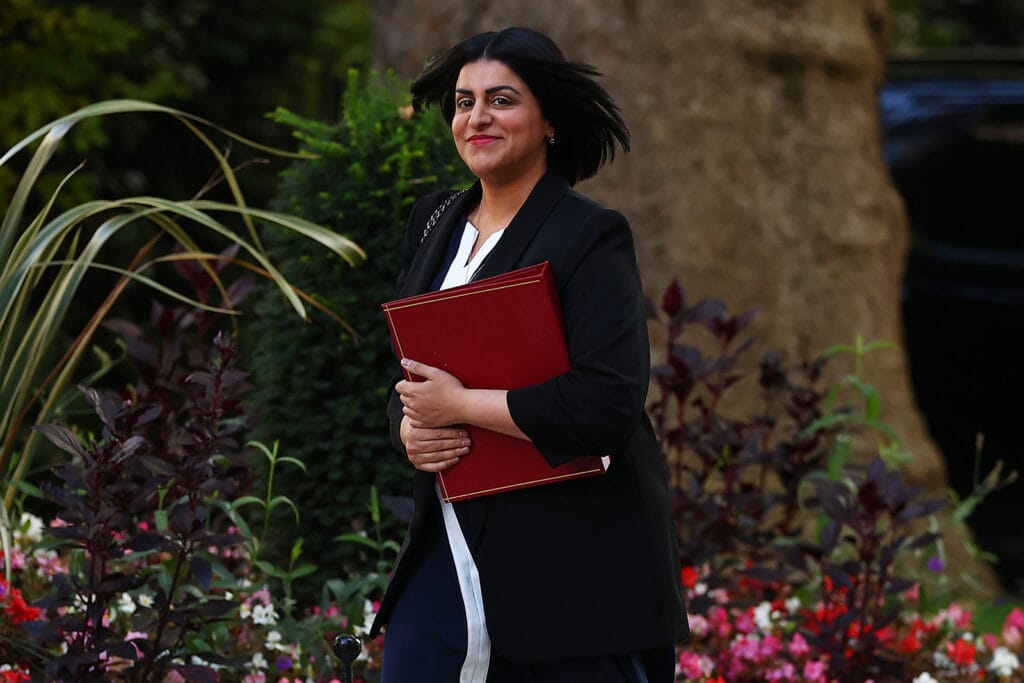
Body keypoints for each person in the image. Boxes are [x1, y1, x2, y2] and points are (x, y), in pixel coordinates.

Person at [371, 27, 688, 683]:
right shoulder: (432, 222)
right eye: (463, 101)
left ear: (548, 120)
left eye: (501, 99)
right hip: (448, 542)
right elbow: (410, 369)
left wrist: (462, 405)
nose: (476, 117)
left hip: (571, 563)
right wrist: (409, 426)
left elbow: (607, 403)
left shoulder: (590, 235)